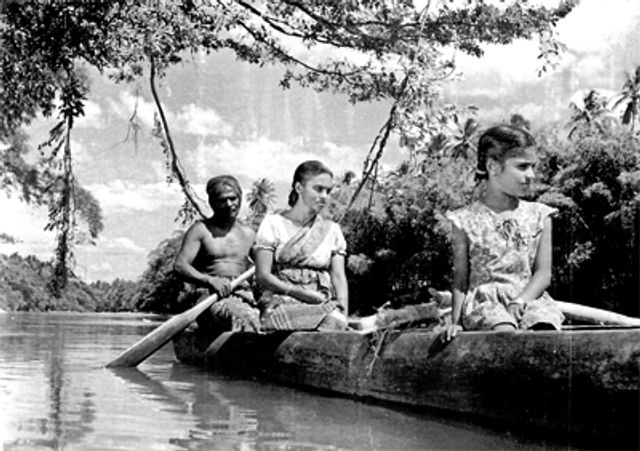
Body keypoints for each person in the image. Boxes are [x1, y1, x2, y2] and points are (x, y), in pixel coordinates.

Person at [442, 124, 564, 341]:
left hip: (529, 299)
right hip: (485, 304)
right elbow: (460, 280)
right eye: (522, 167)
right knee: (505, 335)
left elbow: (543, 274)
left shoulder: (540, 215)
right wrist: (456, 323)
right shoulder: (463, 220)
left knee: (544, 332)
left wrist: (521, 301)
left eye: (533, 167)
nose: (531, 175)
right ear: (493, 167)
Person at [254, 160, 349, 331]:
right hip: (280, 302)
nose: (324, 196)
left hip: (321, 302)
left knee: (335, 320)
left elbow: (339, 277)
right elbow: (263, 276)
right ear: (299, 188)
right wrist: (300, 294)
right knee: (285, 318)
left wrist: (344, 314)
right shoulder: (273, 223)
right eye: (318, 189)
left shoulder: (332, 230)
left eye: (328, 191)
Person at [174, 175, 259, 339]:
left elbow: (266, 266)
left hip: (244, 296)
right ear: (212, 203)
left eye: (233, 198)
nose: (229, 204)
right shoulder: (200, 230)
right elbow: (180, 266)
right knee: (240, 317)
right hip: (211, 298)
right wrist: (210, 280)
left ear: (240, 199)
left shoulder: (249, 233)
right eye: (222, 200)